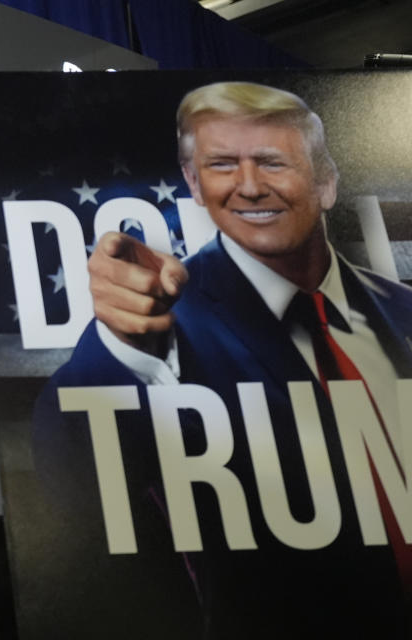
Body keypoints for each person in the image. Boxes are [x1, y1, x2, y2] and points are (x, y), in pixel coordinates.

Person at [45, 81, 412, 636]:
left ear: (328, 182)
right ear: (193, 183)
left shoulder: (403, 310)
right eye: (221, 165)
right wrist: (125, 342)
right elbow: (67, 439)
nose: (248, 187)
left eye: (271, 162)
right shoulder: (167, 320)